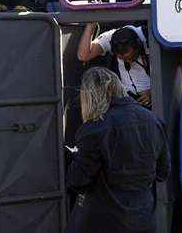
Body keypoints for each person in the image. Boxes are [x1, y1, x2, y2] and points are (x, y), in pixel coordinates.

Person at [66, 67, 170, 233]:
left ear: (90, 95)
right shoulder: (152, 120)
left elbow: (77, 180)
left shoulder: (94, 129)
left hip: (102, 220)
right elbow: (163, 172)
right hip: (143, 217)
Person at [77, 23, 152, 107]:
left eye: (131, 57)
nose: (129, 62)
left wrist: (152, 92)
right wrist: (90, 25)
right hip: (128, 98)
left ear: (138, 45)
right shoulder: (110, 37)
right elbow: (83, 55)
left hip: (155, 95)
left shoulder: (149, 36)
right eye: (122, 59)